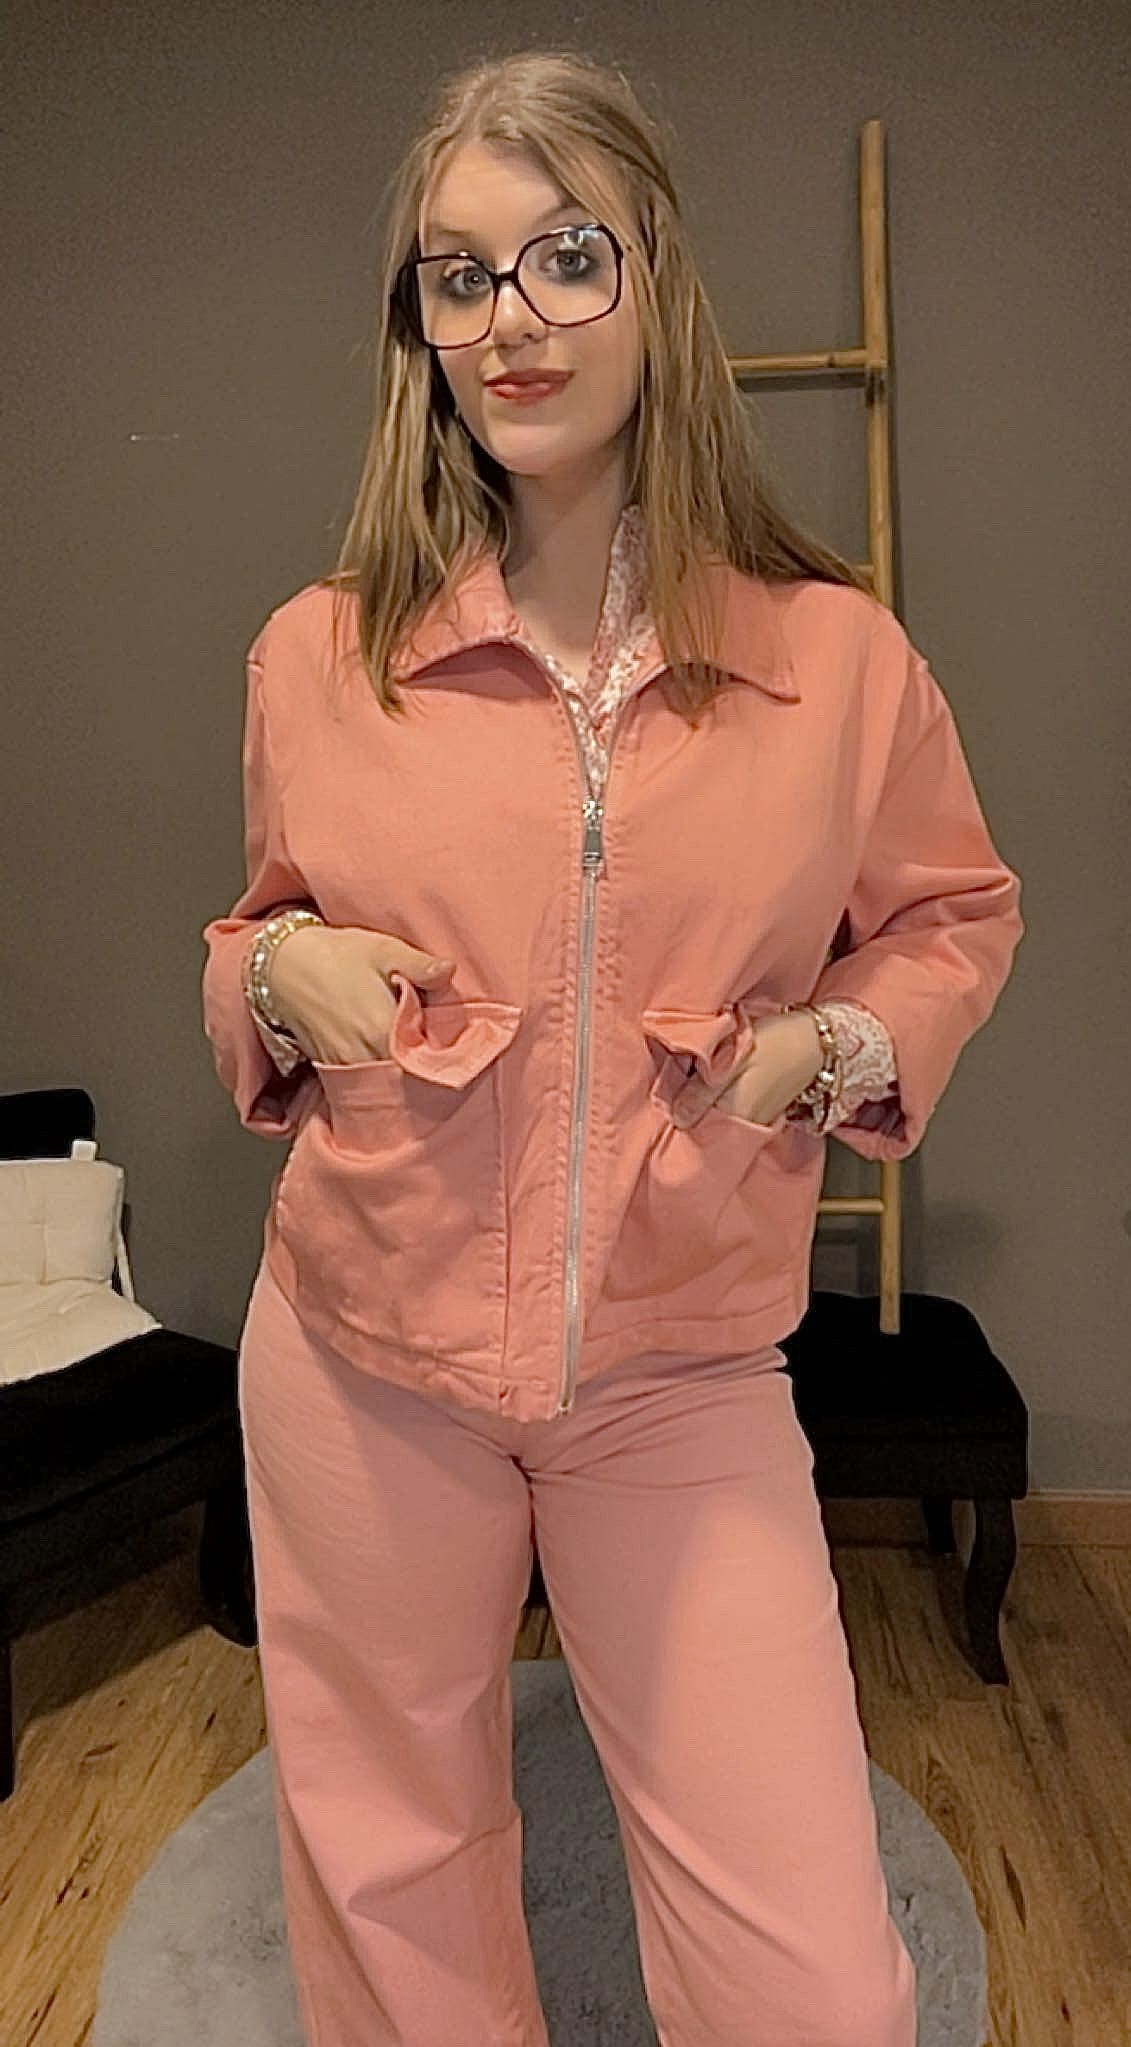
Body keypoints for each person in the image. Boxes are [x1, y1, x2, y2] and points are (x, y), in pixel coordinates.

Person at [200, 48, 1023, 2047]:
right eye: (458, 275)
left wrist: (830, 1042)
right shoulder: (321, 655)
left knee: (814, 1983)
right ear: (418, 325)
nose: (514, 318)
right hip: (360, 1362)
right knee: (392, 1880)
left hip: (676, 1375)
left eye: (566, 255)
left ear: (654, 271)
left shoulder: (832, 660)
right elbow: (252, 931)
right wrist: (279, 971)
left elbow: (952, 914)